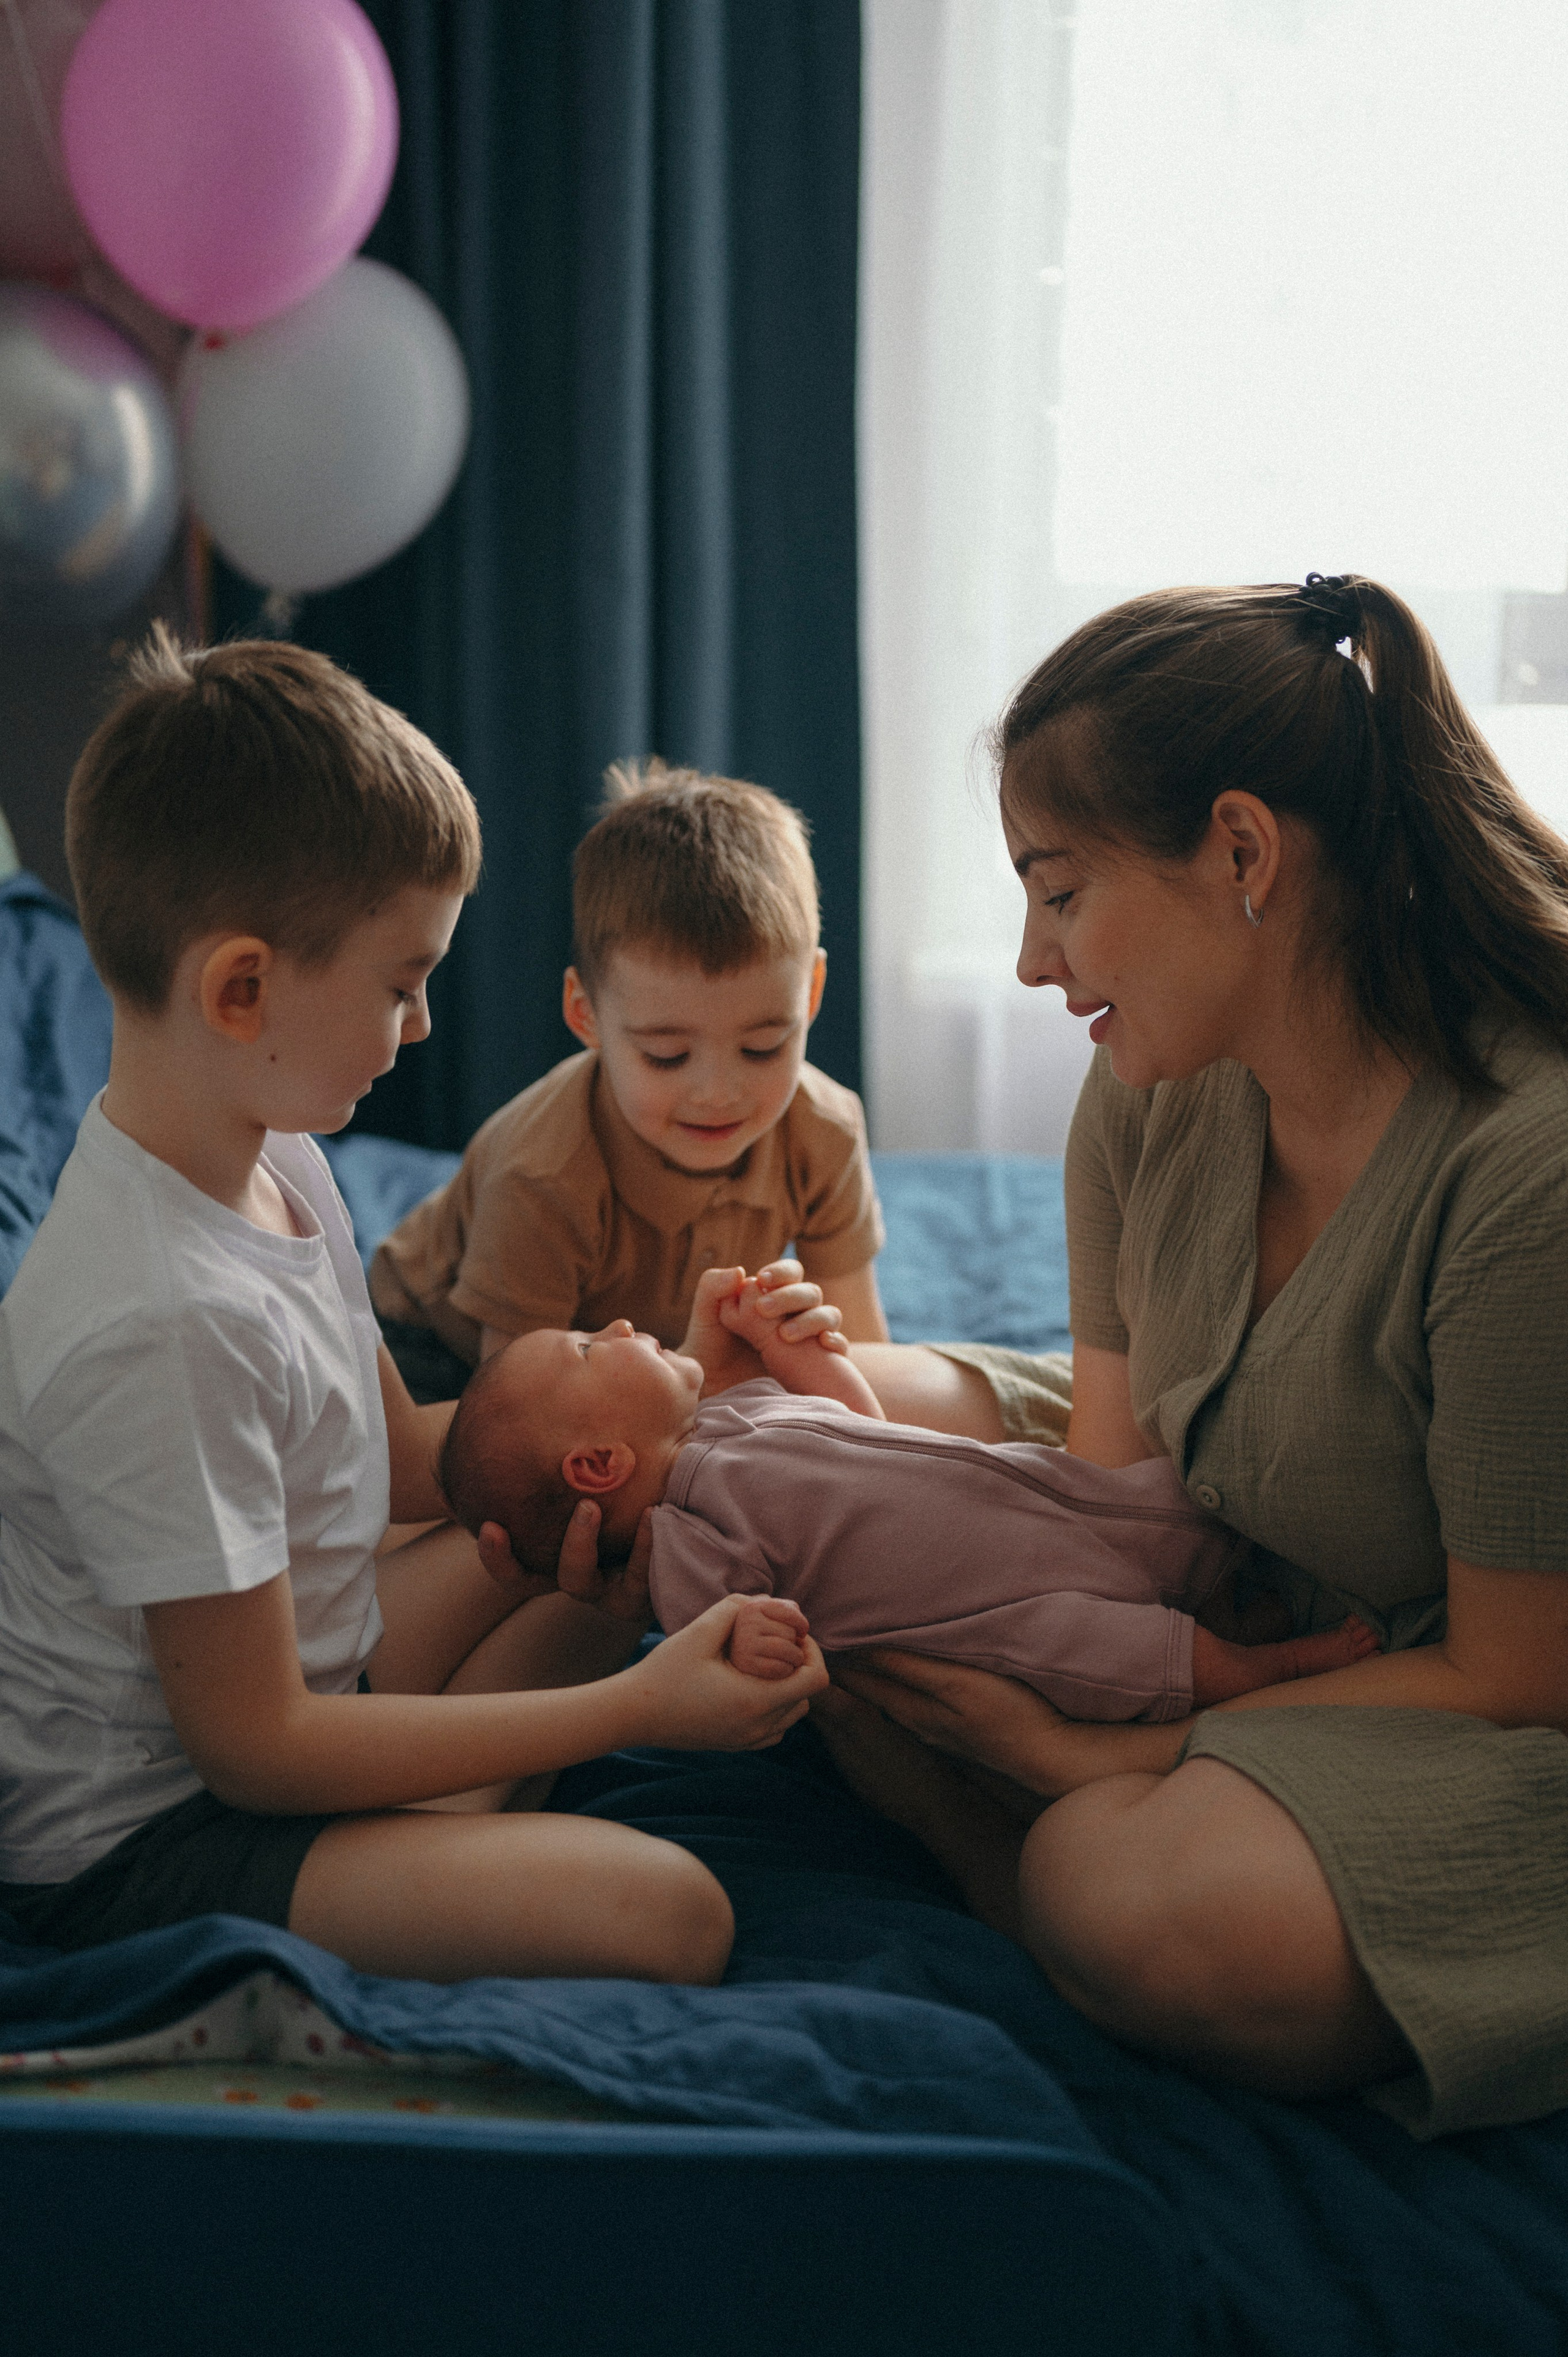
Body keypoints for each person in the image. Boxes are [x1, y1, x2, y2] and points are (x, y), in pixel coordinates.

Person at [821, 574, 1568, 2141]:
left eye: (1060, 889)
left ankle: (1023, 1863)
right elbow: (1119, 1499)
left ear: (1239, 850)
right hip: (1240, 1534)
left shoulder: (1522, 1163)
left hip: (1489, 1693)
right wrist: (1050, 1632)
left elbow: (1513, 1672)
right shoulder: (1152, 1081)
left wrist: (1096, 1740)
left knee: (1144, 1900)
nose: (1033, 960)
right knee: (793, 1461)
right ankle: (1040, 1834)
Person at [0, 631, 826, 1986]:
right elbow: (254, 1747)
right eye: (400, 983)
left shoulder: (278, 1157)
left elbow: (408, 1463)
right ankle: (432, 1831)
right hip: (165, 1837)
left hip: (329, 1672)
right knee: (674, 1913)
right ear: (242, 986)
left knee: (624, 1528)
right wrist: (631, 1708)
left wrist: (668, 1384)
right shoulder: (160, 1320)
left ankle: (435, 1822)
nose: (424, 1025)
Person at [440, 1272, 1379, 1725]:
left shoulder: (732, 1417)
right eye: (582, 1349)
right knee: (1123, 1651)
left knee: (1165, 1502)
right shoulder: (684, 1543)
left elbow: (868, 1428)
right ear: (598, 1466)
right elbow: (722, 1634)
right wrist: (750, 1639)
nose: (611, 1324)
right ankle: (1277, 1673)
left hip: (1021, 1498)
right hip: (993, 1609)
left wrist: (812, 1364)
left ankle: (1293, 1554)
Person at [370, 758, 889, 1405]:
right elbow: (523, 1408)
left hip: (647, 1350)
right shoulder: (544, 1175)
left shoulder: (826, 1130)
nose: (717, 1091)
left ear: (809, 991)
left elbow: (866, 1348)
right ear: (585, 1013)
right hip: (436, 1344)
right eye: (667, 1055)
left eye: (764, 1046)